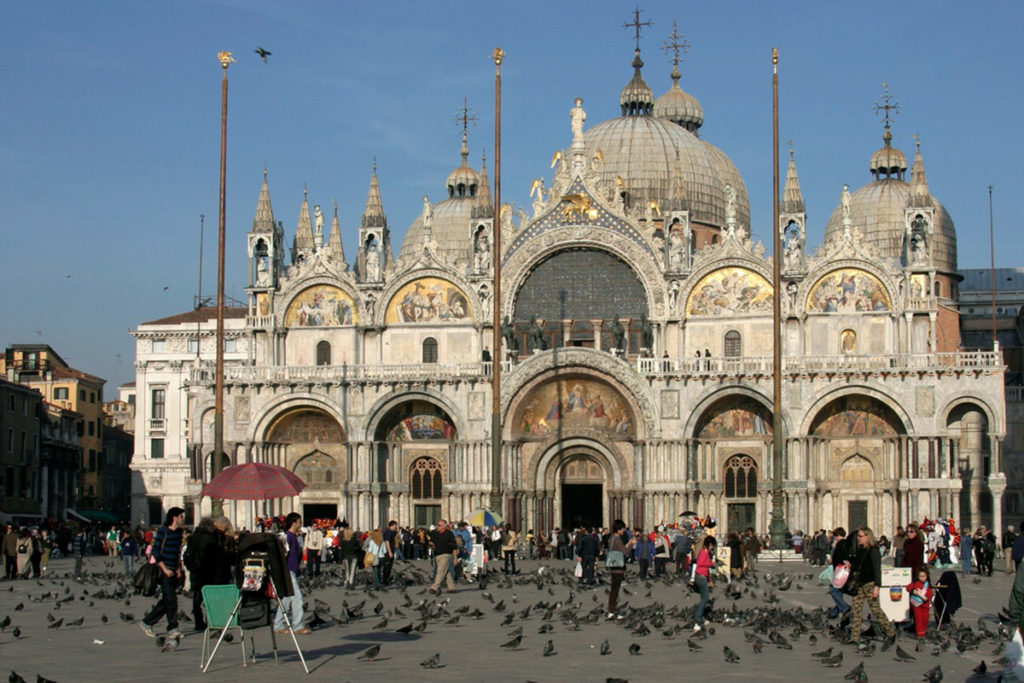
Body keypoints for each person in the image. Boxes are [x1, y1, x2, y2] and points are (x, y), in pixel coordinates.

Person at [140, 507, 186, 639]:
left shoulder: (178, 533)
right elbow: (155, 551)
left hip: (173, 569)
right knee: (172, 600)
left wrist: (177, 569)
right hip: (163, 569)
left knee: (167, 600)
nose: (183, 519)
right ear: (174, 517)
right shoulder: (162, 531)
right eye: (181, 516)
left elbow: (177, 552)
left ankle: (147, 622)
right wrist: (164, 568)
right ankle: (172, 627)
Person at [846, 526, 895, 643]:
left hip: (869, 584)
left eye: (860, 536)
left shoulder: (874, 550)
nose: (858, 538)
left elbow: (877, 570)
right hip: (859, 584)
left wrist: (877, 586)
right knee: (856, 610)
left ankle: (890, 631)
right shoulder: (860, 549)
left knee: (875, 609)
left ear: (868, 537)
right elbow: (858, 565)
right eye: (858, 536)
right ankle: (854, 637)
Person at [188, 516, 235, 632]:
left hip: (196, 571)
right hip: (208, 571)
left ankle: (198, 622)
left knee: (197, 598)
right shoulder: (210, 538)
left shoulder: (193, 537)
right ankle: (211, 620)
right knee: (210, 598)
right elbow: (216, 555)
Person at [273, 512, 309, 635]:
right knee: (297, 597)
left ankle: (278, 624)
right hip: (288, 570)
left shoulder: (294, 536)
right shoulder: (287, 537)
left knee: (286, 599)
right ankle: (297, 625)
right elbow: (283, 555)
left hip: (292, 569)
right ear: (294, 522)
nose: (301, 524)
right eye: (300, 522)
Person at [606, 519, 633, 618]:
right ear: (618, 530)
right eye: (622, 529)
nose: (624, 531)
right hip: (618, 568)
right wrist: (631, 544)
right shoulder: (617, 539)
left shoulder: (611, 538)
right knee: (615, 590)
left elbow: (617, 550)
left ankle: (612, 609)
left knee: (614, 589)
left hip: (613, 566)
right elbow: (625, 552)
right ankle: (611, 611)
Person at [693, 535, 717, 631]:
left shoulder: (706, 552)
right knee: (705, 598)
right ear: (709, 544)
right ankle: (697, 617)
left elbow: (706, 570)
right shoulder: (704, 552)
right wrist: (711, 563)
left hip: (703, 577)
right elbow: (700, 563)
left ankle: (699, 616)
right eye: (712, 545)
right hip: (700, 577)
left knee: (704, 597)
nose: (712, 547)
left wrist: (710, 581)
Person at [826, 527, 852, 618]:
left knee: (834, 590)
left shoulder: (841, 543)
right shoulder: (845, 543)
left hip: (840, 571)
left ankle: (845, 608)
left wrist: (833, 561)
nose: (834, 538)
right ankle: (834, 613)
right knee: (838, 591)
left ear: (838, 535)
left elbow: (841, 556)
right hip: (841, 570)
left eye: (835, 536)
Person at [428, 519, 458, 595]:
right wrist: (431, 543)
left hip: (446, 555)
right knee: (445, 571)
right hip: (437, 555)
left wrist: (455, 557)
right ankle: (451, 587)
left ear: (444, 526)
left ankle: (434, 587)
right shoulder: (435, 534)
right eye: (437, 525)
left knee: (440, 571)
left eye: (439, 525)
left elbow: (454, 546)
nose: (438, 526)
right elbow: (430, 541)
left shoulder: (449, 534)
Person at [906, 565, 934, 639]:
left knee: (925, 618)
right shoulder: (915, 583)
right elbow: (908, 587)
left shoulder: (927, 585)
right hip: (916, 605)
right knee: (918, 619)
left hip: (925, 605)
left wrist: (927, 597)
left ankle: (923, 632)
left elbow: (930, 592)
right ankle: (920, 634)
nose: (922, 578)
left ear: (927, 576)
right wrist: (913, 591)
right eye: (920, 576)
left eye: (923, 576)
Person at [337, 522, 360, 588]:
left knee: (347, 570)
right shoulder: (354, 540)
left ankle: (347, 581)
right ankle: (351, 582)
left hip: (346, 557)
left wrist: (340, 559)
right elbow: (358, 547)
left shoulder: (343, 541)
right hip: (354, 557)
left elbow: (341, 550)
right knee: (352, 571)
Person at [380, 521, 397, 586]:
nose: (396, 527)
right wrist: (389, 552)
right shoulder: (388, 532)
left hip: (391, 550)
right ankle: (385, 580)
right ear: (392, 525)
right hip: (388, 552)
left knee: (389, 566)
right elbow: (387, 542)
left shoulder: (392, 532)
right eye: (395, 526)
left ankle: (386, 579)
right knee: (387, 566)